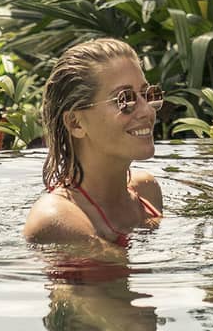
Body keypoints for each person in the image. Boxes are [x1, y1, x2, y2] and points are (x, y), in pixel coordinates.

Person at [24, 38, 165, 247]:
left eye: (147, 94)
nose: (147, 110)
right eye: (124, 99)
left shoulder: (147, 191)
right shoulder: (56, 217)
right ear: (75, 123)